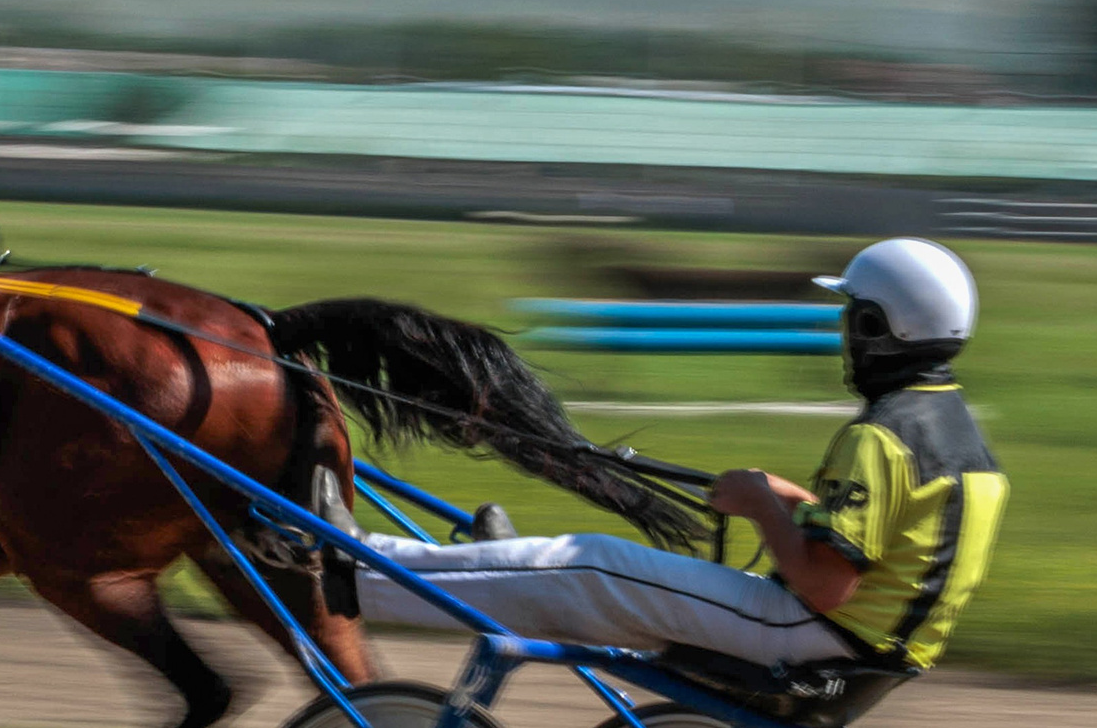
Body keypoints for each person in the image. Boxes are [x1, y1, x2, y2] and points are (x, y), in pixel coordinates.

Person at [350, 238, 1009, 678]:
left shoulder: (883, 437)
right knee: (584, 574)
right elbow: (885, 548)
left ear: (877, 328)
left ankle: (358, 571)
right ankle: (495, 572)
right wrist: (786, 498)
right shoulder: (966, 448)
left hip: (805, 631)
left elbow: (827, 585)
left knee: (590, 564)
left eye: (852, 316)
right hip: (860, 646)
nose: (845, 333)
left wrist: (758, 508)